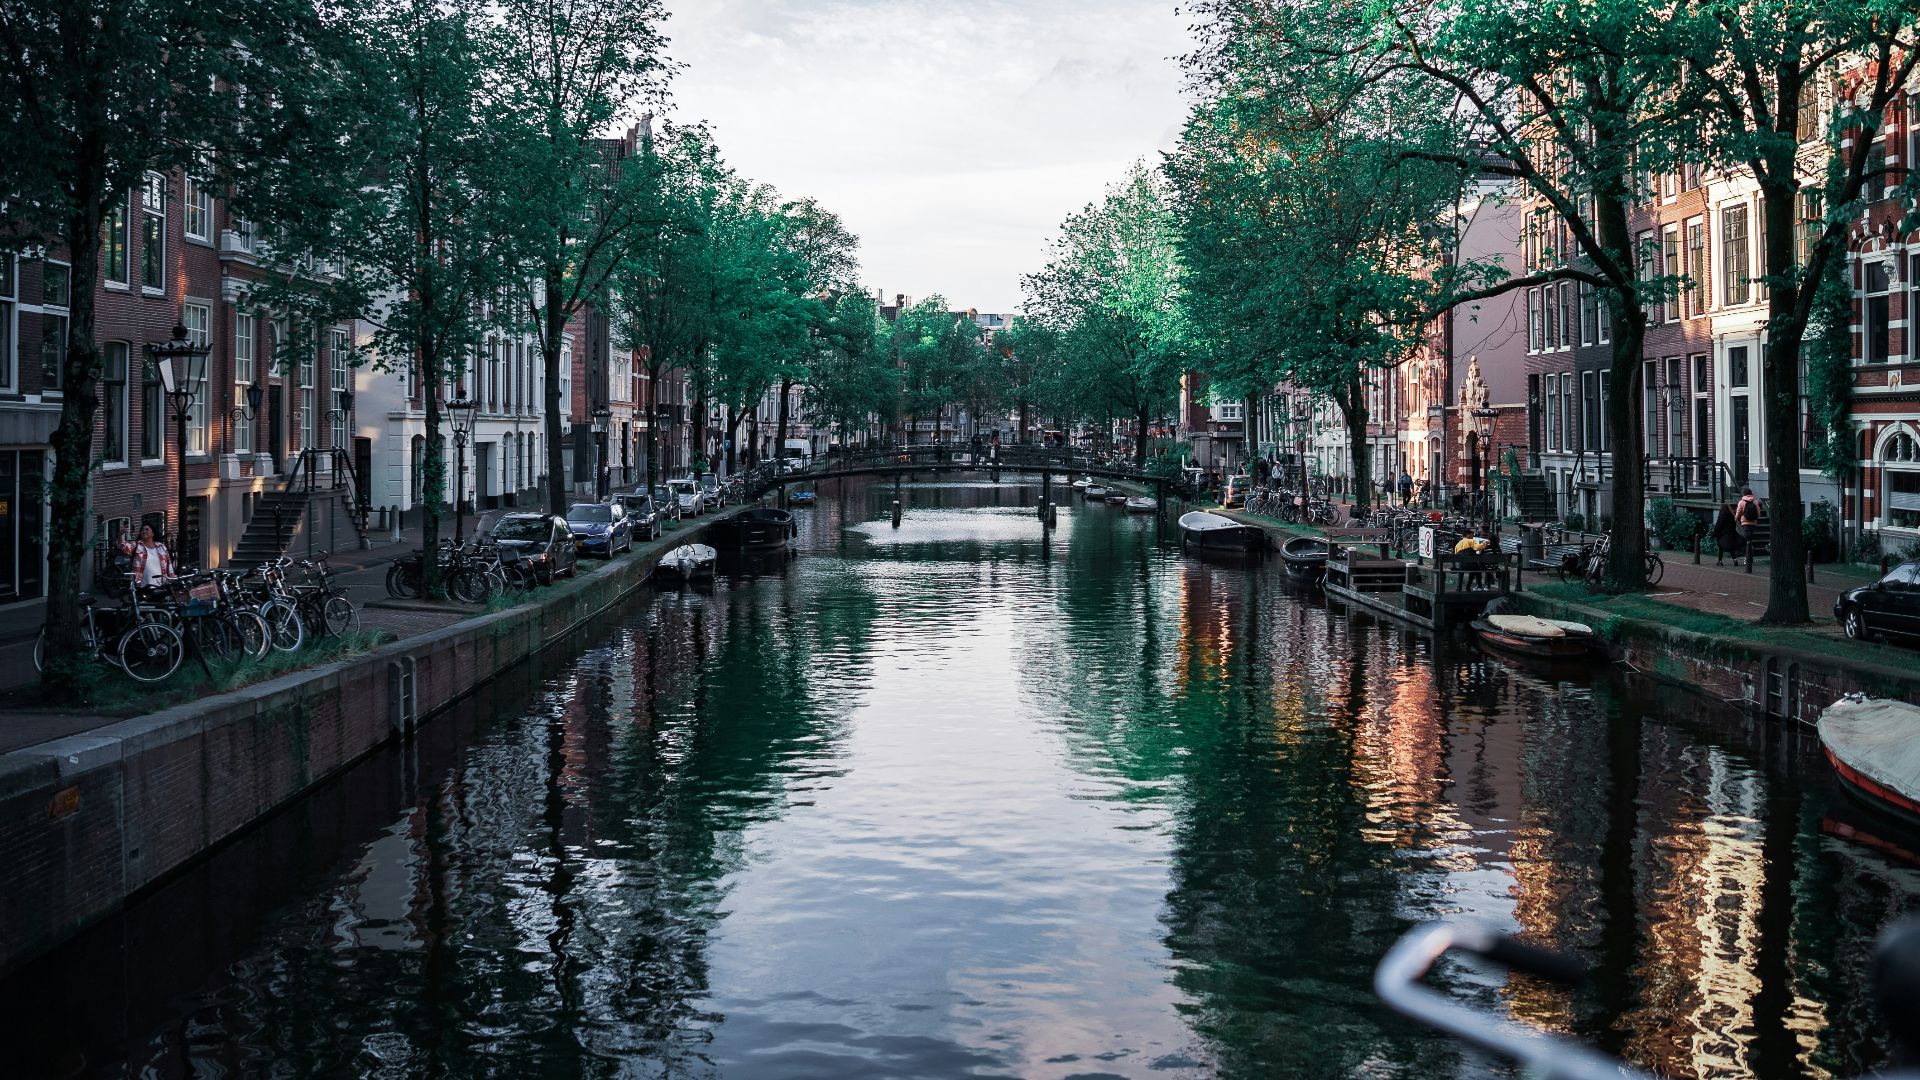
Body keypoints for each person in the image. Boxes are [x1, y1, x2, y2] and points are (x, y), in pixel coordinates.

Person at [1736, 486, 1762, 552]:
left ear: (1744, 493)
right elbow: (1758, 512)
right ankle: (1750, 555)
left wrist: (1736, 519)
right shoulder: (1755, 502)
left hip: (1745, 522)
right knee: (1750, 539)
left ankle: (1748, 557)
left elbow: (1738, 512)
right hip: (1753, 522)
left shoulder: (1741, 502)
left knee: (1747, 540)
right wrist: (1756, 518)